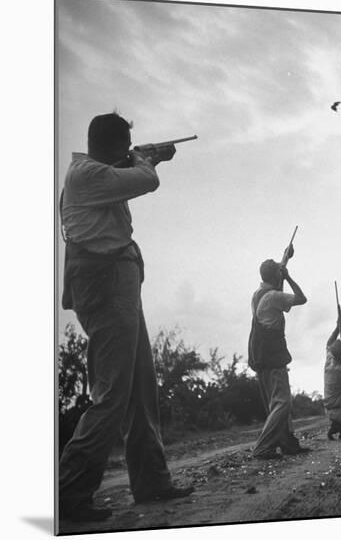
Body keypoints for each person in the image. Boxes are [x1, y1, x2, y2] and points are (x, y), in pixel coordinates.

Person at [59, 112, 193, 523]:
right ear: (117, 145)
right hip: (106, 284)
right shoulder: (87, 176)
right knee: (114, 394)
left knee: (140, 388)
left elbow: (130, 174)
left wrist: (140, 157)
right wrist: (147, 160)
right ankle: (68, 492)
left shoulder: (95, 171)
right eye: (125, 146)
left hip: (117, 284)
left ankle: (151, 481)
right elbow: (146, 181)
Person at [248, 251, 310, 459]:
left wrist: (285, 259)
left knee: (276, 402)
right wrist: (289, 276)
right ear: (276, 276)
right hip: (272, 355)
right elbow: (302, 299)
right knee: (283, 402)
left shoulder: (259, 294)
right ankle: (263, 447)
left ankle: (287, 443)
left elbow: (275, 286)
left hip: (261, 356)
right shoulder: (273, 296)